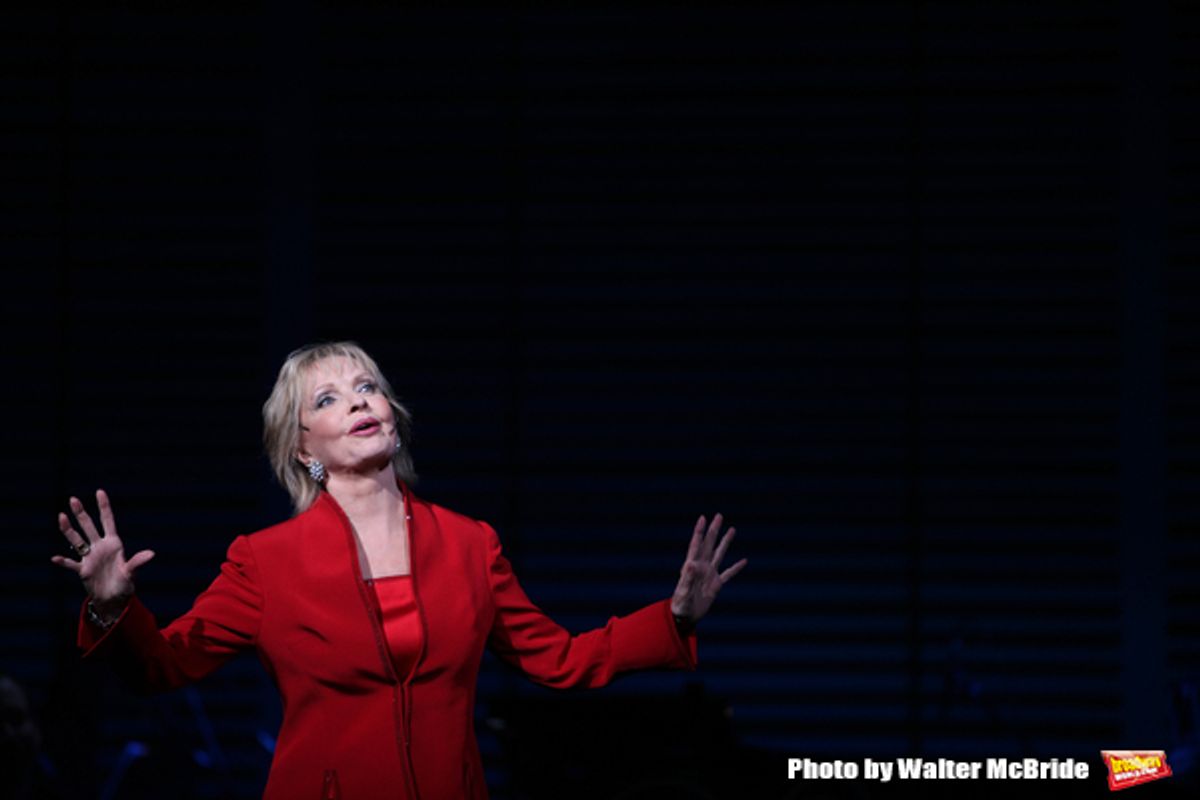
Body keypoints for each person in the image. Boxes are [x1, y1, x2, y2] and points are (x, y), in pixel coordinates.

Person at [51, 341, 747, 800]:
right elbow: (163, 667)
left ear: (391, 413)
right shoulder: (263, 561)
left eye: (367, 387)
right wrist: (112, 606)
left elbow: (560, 659)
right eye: (327, 399)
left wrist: (674, 617)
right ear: (303, 450)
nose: (358, 401)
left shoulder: (470, 544)